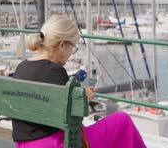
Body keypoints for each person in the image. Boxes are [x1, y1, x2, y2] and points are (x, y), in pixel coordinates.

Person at [12, 15, 146, 148]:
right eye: (72, 48)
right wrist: (83, 99)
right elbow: (71, 117)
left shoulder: (21, 68)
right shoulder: (55, 72)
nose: (71, 53)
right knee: (122, 120)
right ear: (62, 45)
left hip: (24, 144)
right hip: (56, 143)